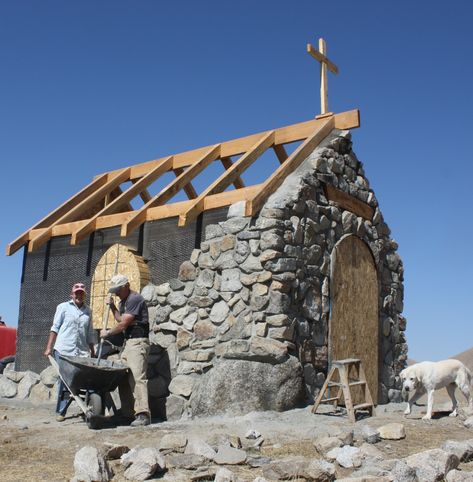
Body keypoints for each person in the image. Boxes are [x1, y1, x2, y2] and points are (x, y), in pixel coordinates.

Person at [100, 274, 151, 427]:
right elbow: (120, 319)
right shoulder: (123, 301)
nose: (115, 293)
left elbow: (123, 325)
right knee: (123, 378)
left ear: (126, 286)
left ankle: (143, 414)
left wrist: (107, 333)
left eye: (117, 290)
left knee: (137, 377)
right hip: (128, 343)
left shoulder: (135, 299)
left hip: (138, 341)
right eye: (114, 290)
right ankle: (128, 414)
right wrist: (113, 307)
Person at [44, 282, 96, 422]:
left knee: (82, 380)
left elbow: (90, 333)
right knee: (66, 381)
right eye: (76, 292)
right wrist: (49, 348)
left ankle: (85, 407)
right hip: (64, 350)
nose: (79, 295)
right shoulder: (63, 307)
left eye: (81, 293)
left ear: (84, 295)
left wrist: (93, 350)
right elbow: (55, 328)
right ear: (71, 294)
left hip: (81, 352)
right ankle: (62, 410)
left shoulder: (88, 311)